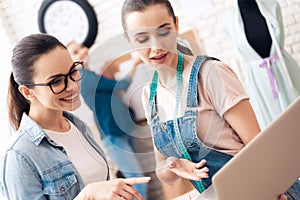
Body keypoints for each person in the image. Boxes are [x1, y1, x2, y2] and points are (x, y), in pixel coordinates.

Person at [120, 0, 299, 199]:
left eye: (163, 31)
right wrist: (175, 165)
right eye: (142, 38)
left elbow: (257, 146)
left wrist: (273, 189)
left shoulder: (210, 73)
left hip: (259, 191)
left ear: (176, 25)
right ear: (129, 42)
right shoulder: (149, 95)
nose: (156, 47)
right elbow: (163, 170)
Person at [0, 33, 150, 200]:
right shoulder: (19, 156)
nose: (72, 86)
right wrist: (87, 195)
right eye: (56, 81)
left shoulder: (79, 127)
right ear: (28, 92)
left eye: (73, 72)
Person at [66, 41, 148, 199]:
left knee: (134, 179)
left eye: (82, 47)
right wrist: (136, 63)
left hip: (122, 128)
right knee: (137, 181)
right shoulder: (85, 77)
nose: (83, 51)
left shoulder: (91, 74)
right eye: (76, 52)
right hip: (113, 133)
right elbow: (121, 85)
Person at [223, 0, 300, 129]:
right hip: (258, 81)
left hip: (284, 69)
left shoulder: (272, 6)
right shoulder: (229, 23)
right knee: (275, 128)